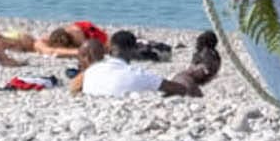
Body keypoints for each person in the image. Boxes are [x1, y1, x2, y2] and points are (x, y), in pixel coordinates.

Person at [70, 31, 220, 99]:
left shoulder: (90, 73)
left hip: (102, 98)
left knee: (183, 76)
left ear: (110, 48)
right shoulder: (135, 73)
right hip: (138, 97)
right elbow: (179, 89)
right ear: (134, 50)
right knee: (183, 78)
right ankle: (200, 74)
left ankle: (198, 69)